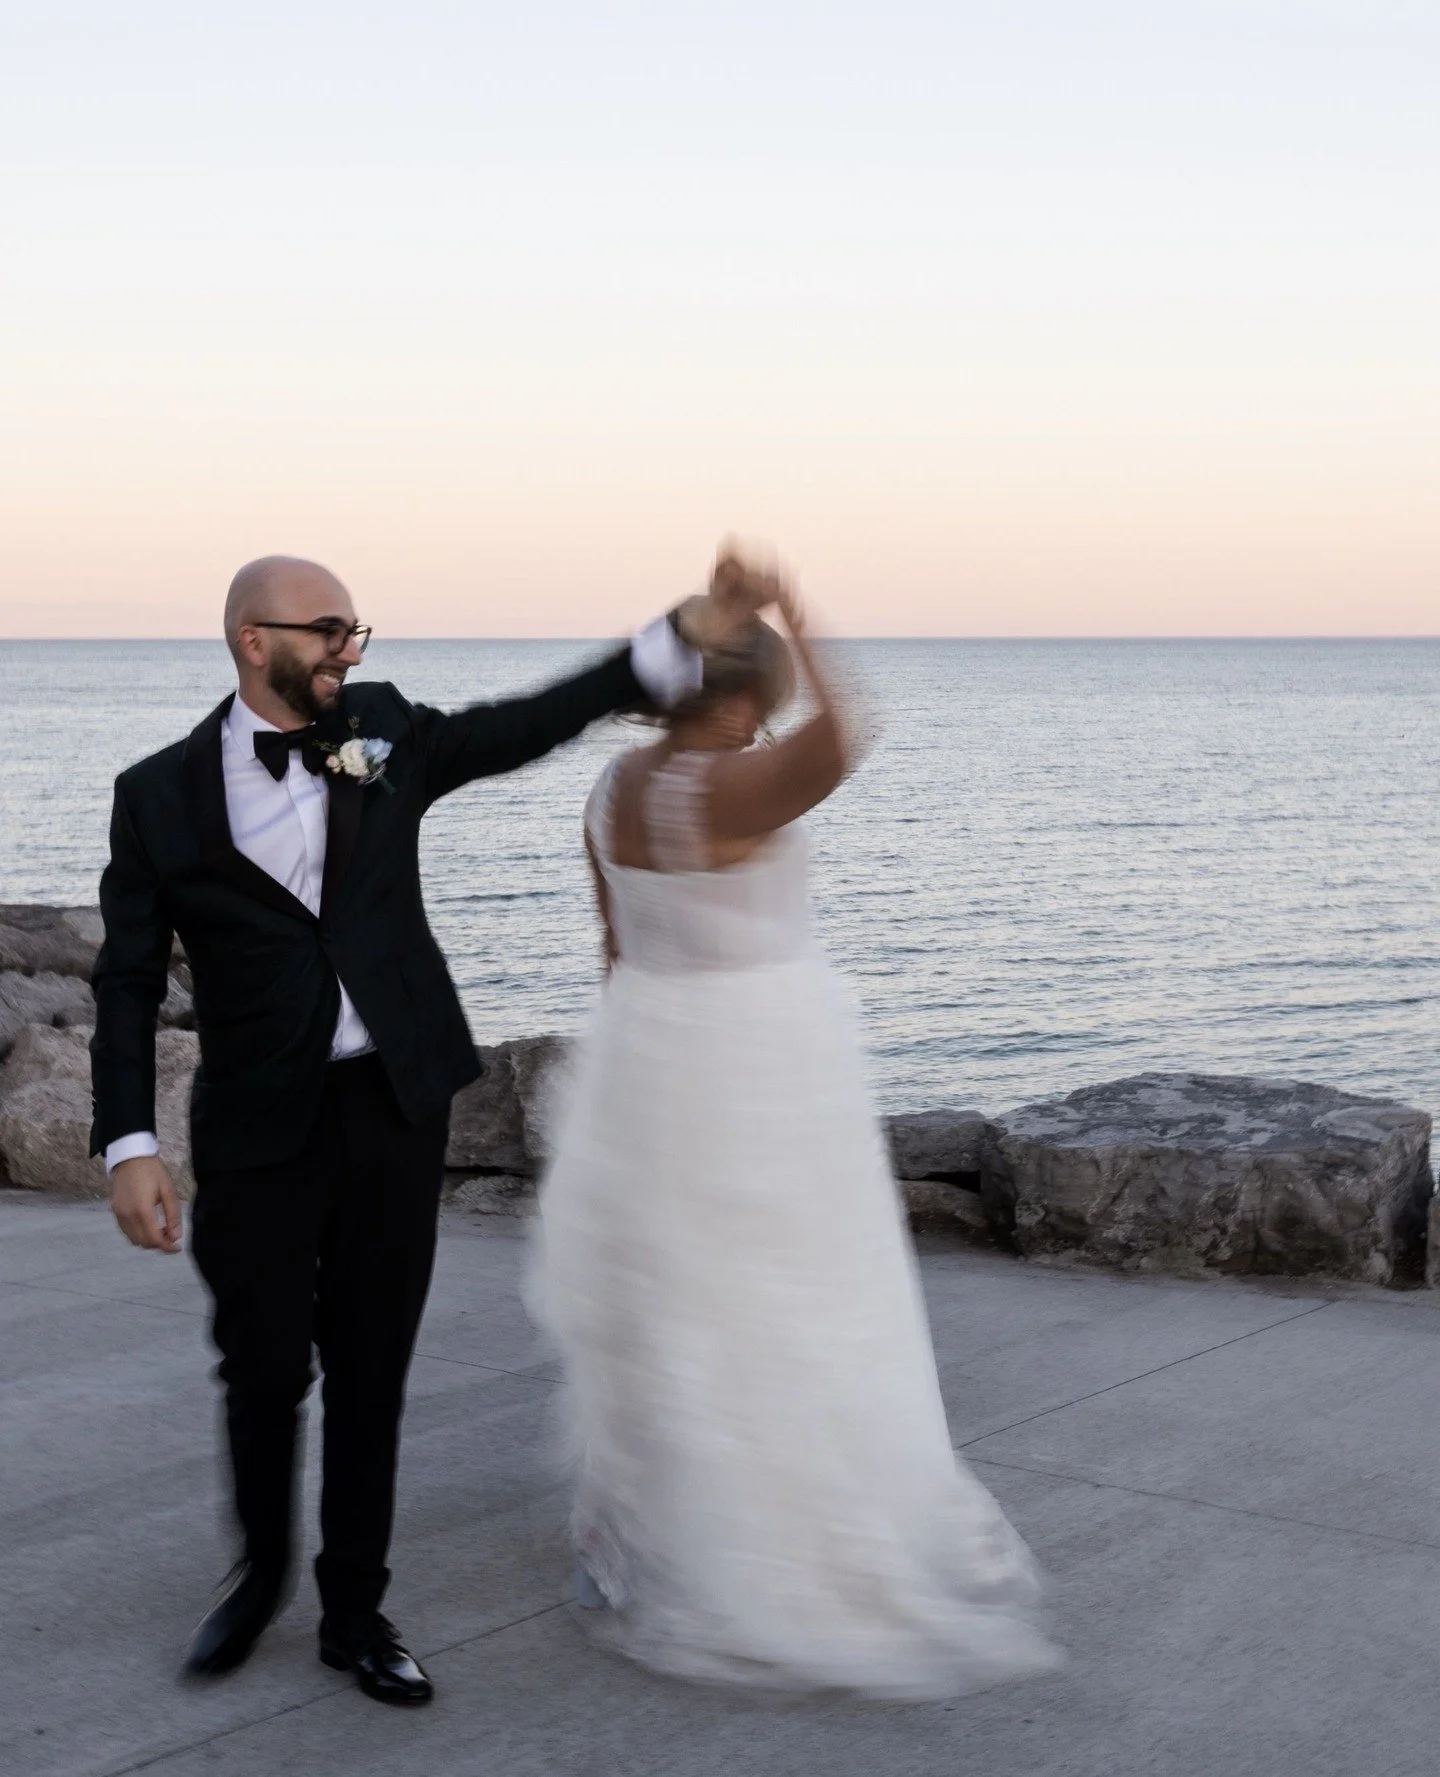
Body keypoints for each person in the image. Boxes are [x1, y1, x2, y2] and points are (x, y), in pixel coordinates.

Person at [90, 548, 774, 1705]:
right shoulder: (155, 794)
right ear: (255, 642)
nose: (352, 650)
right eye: (330, 630)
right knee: (261, 1370)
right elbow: (123, 981)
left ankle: (355, 1611)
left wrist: (668, 638)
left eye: (360, 631)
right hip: (258, 1127)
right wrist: (130, 1145)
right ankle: (258, 1581)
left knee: (371, 1372)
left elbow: (526, 723)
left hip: (395, 1109)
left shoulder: (387, 729)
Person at [528, 578, 1058, 1697]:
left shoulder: (614, 789)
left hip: (649, 1058)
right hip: (757, 1068)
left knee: (676, 1309)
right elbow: (849, 733)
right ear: (747, 687)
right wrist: (799, 614)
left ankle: (640, 1539)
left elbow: (615, 948)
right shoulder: (728, 785)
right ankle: (783, 1546)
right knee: (790, 1305)